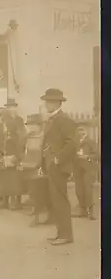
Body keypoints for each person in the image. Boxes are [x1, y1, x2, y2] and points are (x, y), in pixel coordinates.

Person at [40, 88, 78, 246]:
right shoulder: (52, 120)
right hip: (51, 166)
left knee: (61, 200)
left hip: (58, 166)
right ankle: (61, 232)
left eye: (48, 101)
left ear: (56, 103)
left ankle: (66, 235)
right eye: (46, 101)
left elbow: (72, 144)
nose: (46, 104)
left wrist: (57, 159)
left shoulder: (64, 120)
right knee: (56, 200)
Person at [0, 99, 27, 210]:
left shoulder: (19, 120)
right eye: (8, 106)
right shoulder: (4, 121)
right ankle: (5, 201)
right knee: (4, 179)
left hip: (14, 152)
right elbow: (0, 137)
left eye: (12, 106)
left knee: (15, 179)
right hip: (5, 152)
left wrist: (19, 154)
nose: (11, 108)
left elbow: (22, 136)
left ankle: (16, 202)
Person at [21, 113, 53, 226]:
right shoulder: (28, 137)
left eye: (32, 125)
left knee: (43, 192)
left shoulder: (44, 137)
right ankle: (35, 211)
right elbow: (25, 151)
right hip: (28, 166)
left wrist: (40, 165)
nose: (30, 127)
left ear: (39, 126)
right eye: (29, 125)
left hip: (40, 167)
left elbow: (44, 153)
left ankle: (45, 216)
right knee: (32, 191)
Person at [73, 124, 99, 220]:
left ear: (86, 131)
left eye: (82, 130)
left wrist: (87, 156)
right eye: (79, 130)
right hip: (77, 168)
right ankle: (82, 209)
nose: (80, 132)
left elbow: (97, 154)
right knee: (79, 190)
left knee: (87, 189)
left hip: (88, 168)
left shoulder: (91, 142)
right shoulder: (74, 142)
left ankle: (91, 211)